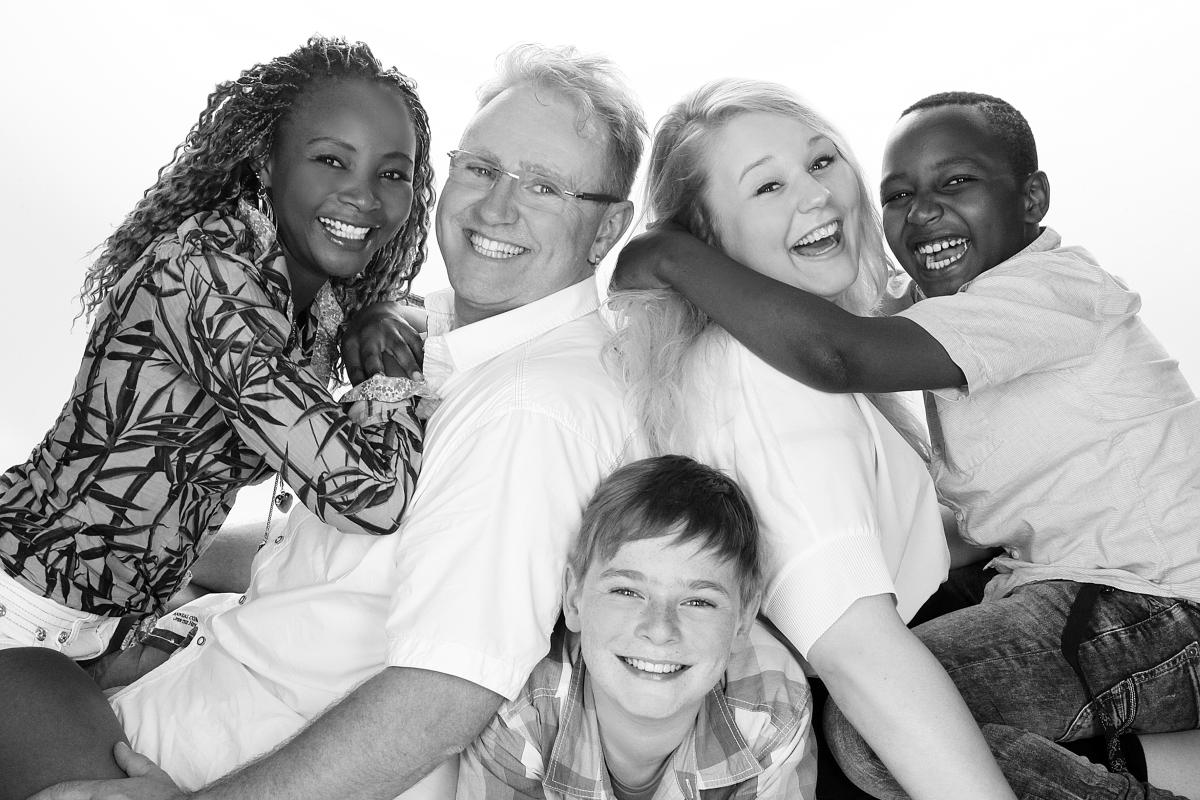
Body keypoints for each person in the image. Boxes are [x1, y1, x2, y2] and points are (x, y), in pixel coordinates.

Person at [34, 44, 644, 800]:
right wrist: (166, 596)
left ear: (607, 228)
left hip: (191, 760)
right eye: (480, 168)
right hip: (146, 665)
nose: (495, 209)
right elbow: (345, 570)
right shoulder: (450, 335)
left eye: (544, 187)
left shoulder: (530, 410)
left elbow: (443, 695)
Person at [613, 90, 1200, 798]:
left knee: (879, 734)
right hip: (1093, 593)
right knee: (902, 717)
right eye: (898, 195)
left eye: (957, 182)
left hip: (1159, 605)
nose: (922, 212)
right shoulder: (950, 310)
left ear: (1033, 199)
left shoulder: (1044, 291)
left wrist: (670, 257)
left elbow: (838, 353)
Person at [0, 36, 433, 799]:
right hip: (20, 615)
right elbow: (368, 494)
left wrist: (385, 317)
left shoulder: (321, 301)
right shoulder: (200, 273)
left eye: (391, 173)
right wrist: (392, 371)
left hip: (115, 634)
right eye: (331, 160)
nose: (363, 196)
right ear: (266, 161)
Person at [605, 79, 1017, 800]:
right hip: (892, 744)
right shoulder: (763, 376)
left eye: (822, 162)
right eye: (767, 187)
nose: (818, 196)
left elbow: (886, 550)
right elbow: (859, 655)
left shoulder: (762, 357)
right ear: (705, 241)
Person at [458, 454, 816, 799]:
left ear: (743, 619)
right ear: (574, 598)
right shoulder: (522, 714)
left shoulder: (771, 713)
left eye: (698, 602)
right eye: (626, 592)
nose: (659, 630)